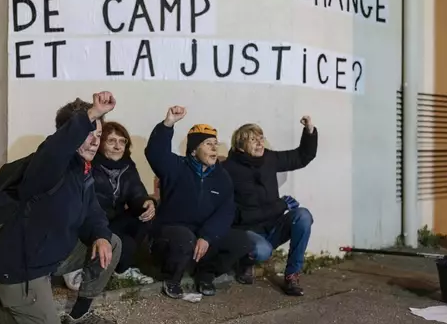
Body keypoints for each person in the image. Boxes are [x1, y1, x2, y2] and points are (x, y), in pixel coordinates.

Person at [0, 92, 121, 324]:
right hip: (22, 268)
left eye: (98, 135)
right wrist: (91, 114)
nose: (94, 142)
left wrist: (100, 235)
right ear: (69, 135)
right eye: (88, 134)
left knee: (112, 242)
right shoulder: (47, 165)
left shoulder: (83, 171)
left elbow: (93, 211)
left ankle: (78, 316)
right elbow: (57, 148)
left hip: (53, 255)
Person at [144, 106, 253, 299]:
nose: (214, 148)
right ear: (194, 151)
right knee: (184, 237)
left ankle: (205, 274)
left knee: (242, 241)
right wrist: (168, 124)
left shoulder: (222, 176)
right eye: (208, 144)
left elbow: (226, 211)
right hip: (171, 233)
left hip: (201, 234)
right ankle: (172, 278)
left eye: (215, 144)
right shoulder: (176, 167)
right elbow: (155, 152)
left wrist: (208, 236)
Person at [221, 116, 318, 297]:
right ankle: (244, 262)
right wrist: (280, 205)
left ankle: (292, 275)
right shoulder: (228, 169)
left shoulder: (269, 159)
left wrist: (309, 131)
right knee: (262, 250)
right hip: (247, 231)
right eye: (253, 140)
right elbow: (238, 215)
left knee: (303, 216)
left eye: (261, 138)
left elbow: (302, 156)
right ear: (241, 146)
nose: (260, 143)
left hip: (273, 227)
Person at [64, 121, 156, 289]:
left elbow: (136, 193)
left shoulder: (127, 165)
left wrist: (146, 202)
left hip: (115, 220)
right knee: (126, 243)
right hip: (91, 224)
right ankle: (84, 266)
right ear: (101, 143)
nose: (117, 146)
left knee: (145, 218)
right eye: (112, 141)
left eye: (122, 141)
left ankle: (119, 270)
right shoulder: (90, 163)